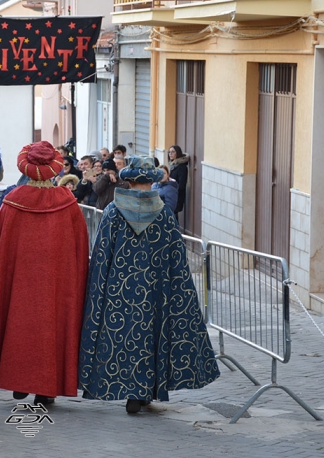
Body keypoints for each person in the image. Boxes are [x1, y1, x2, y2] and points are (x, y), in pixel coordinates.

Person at [79, 155, 220, 414]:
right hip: (156, 289)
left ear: (129, 180)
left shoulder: (112, 211)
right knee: (151, 335)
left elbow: (101, 254)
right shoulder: (165, 215)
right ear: (151, 181)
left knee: (124, 336)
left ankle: (131, 390)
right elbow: (177, 259)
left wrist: (98, 287)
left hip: (118, 290)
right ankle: (143, 391)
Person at [0, 140, 89, 406]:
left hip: (20, 283)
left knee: (19, 325)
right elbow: (80, 247)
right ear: (54, 168)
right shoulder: (68, 204)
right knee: (52, 327)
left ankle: (19, 380)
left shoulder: (12, 202)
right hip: (57, 284)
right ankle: (46, 389)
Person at [168, 145, 189, 222]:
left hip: (177, 195)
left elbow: (182, 184)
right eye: (169, 152)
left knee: (173, 216)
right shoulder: (173, 165)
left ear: (178, 153)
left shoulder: (181, 167)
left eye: (173, 152)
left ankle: (175, 232)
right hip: (171, 195)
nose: (170, 154)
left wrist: (173, 192)